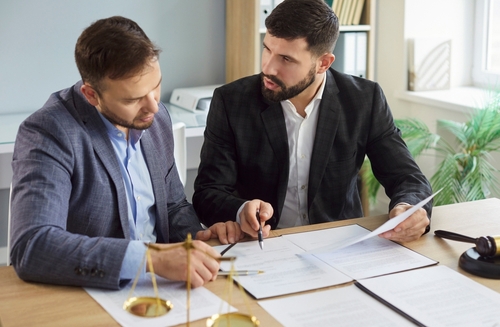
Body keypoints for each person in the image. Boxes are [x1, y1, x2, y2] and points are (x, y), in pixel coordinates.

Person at [9, 16, 243, 290]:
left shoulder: (155, 116)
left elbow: (172, 205)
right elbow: (32, 246)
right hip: (90, 292)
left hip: (164, 289)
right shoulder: (50, 132)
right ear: (91, 95)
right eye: (133, 99)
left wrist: (197, 239)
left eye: (156, 86)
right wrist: (152, 258)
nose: (154, 107)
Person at [193, 0, 432, 244]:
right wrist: (240, 209)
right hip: (263, 246)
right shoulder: (232, 101)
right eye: (267, 49)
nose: (268, 67)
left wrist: (409, 208)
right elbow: (207, 192)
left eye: (286, 59)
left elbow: (407, 177)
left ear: (324, 63)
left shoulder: (363, 99)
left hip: (339, 244)